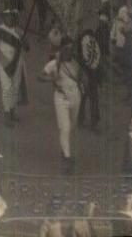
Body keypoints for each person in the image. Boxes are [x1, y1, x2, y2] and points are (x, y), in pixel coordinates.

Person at [39, 36, 83, 174]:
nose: (69, 52)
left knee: (72, 127)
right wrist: (52, 78)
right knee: (65, 128)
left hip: (75, 96)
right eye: (66, 49)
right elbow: (40, 76)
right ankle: (67, 158)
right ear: (62, 49)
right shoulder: (54, 63)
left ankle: (65, 149)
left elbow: (81, 78)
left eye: (71, 49)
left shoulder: (77, 63)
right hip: (61, 97)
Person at [0, 10, 29, 127]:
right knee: (7, 87)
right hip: (4, 62)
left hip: (18, 62)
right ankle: (7, 114)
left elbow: (27, 47)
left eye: (12, 16)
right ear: (4, 17)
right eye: (7, 16)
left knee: (15, 87)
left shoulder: (19, 30)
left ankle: (13, 110)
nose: (9, 18)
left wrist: (23, 38)